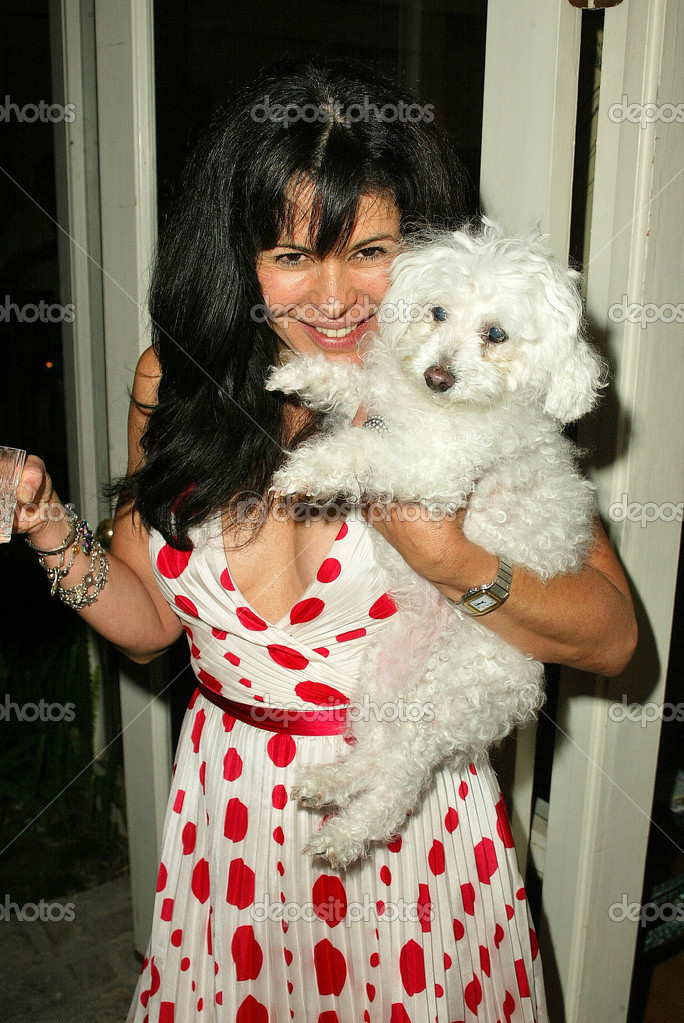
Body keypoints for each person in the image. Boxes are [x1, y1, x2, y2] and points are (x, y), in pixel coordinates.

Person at [15, 59, 637, 1023]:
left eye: (372, 249)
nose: (337, 296)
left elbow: (612, 638)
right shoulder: (169, 384)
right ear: (240, 257)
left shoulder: (466, 394)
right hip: (230, 822)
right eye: (294, 255)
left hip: (413, 828)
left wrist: (455, 560)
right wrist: (49, 523)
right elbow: (147, 630)